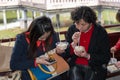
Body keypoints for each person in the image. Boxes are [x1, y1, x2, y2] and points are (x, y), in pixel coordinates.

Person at [64, 6, 110, 80]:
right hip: (75, 64)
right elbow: (65, 54)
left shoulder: (100, 32)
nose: (79, 27)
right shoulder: (72, 29)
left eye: (83, 24)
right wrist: (73, 45)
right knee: (75, 73)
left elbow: (106, 57)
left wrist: (87, 56)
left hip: (94, 67)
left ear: (91, 22)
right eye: (77, 23)